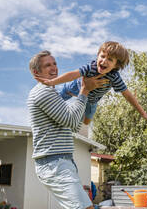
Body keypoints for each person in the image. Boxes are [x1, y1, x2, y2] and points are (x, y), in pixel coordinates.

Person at [28, 50, 108, 209]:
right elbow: (72, 121)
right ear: (36, 72)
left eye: (55, 64)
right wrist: (84, 90)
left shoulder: (53, 93)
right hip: (53, 163)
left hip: (62, 161)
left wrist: (88, 96)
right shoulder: (42, 92)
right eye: (47, 66)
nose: (54, 68)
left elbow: (75, 125)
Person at [35, 41, 147, 125]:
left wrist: (143, 113)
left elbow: (127, 95)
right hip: (74, 88)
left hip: (92, 100)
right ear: (98, 55)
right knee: (57, 98)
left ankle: (72, 119)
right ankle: (48, 112)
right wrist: (52, 82)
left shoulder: (114, 77)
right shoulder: (91, 67)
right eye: (102, 56)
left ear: (117, 65)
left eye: (110, 59)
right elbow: (73, 74)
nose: (104, 61)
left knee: (87, 122)